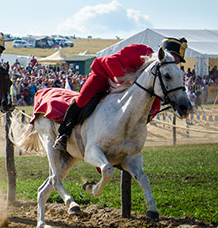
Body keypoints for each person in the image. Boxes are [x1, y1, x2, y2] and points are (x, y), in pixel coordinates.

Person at [53, 37, 188, 152]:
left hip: (123, 87)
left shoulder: (159, 71)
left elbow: (154, 96)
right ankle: (63, 134)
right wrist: (126, 79)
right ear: (166, 54)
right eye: (177, 59)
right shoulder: (140, 51)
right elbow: (110, 62)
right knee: (82, 100)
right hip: (104, 75)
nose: (176, 63)